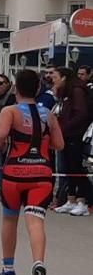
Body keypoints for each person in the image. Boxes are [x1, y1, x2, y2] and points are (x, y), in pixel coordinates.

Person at [0, 69, 64, 275]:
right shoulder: (48, 114)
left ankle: (8, 269)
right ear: (37, 89)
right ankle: (38, 264)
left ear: (15, 88)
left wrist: (1, 144)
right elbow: (59, 144)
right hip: (41, 174)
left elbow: (0, 136)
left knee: (10, 219)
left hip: (14, 173)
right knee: (35, 222)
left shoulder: (10, 111)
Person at [49, 67, 92, 216]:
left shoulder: (77, 91)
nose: (52, 80)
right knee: (68, 168)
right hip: (66, 134)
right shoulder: (65, 93)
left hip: (76, 135)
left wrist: (65, 127)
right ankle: (71, 199)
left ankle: (82, 201)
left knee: (76, 167)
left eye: (55, 77)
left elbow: (81, 114)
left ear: (64, 78)